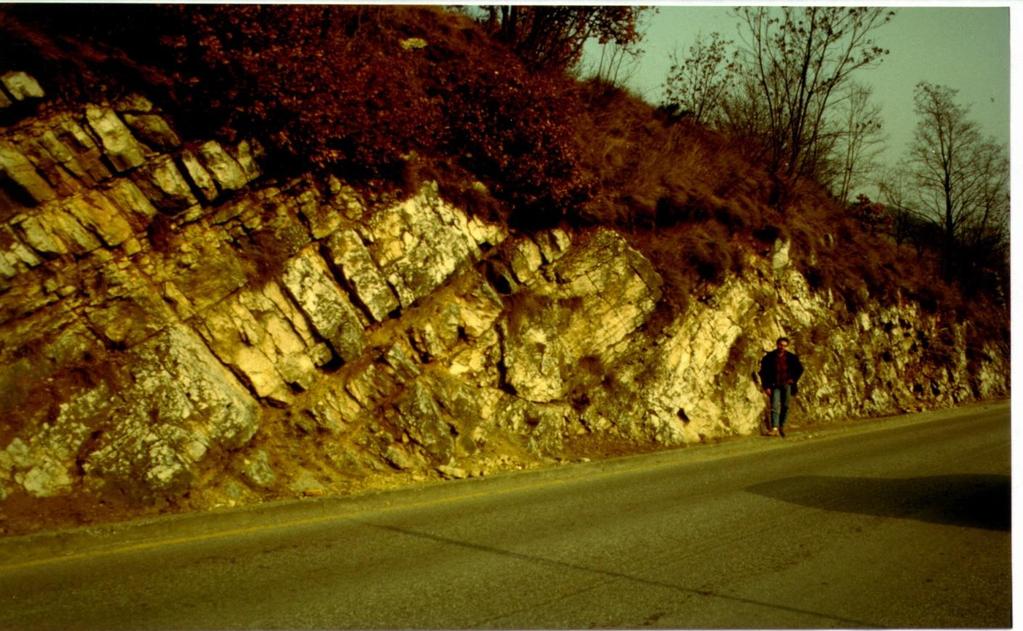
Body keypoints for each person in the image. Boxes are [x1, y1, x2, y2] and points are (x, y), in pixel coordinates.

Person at [758, 336, 804, 437]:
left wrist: (793, 379)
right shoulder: (769, 358)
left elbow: (800, 369)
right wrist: (766, 387)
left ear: (787, 347)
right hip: (774, 385)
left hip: (787, 385)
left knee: (786, 405)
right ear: (777, 345)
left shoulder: (791, 357)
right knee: (774, 405)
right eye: (780, 345)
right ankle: (774, 428)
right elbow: (763, 373)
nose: (782, 347)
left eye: (784, 346)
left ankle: (781, 426)